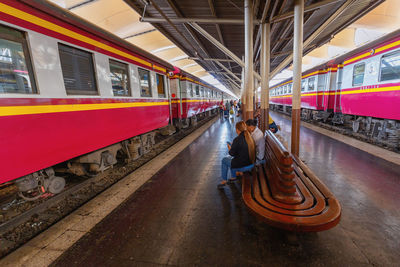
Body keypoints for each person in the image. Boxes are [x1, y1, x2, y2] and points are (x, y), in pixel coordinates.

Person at [218, 121, 256, 189]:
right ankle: (233, 177)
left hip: (242, 166)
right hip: (250, 164)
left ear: (237, 130)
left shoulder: (237, 139)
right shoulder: (250, 138)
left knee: (224, 160)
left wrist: (230, 148)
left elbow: (231, 153)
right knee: (232, 160)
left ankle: (224, 180)